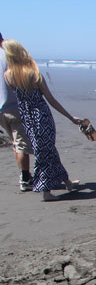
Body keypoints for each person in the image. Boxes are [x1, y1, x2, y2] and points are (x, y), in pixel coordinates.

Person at [3, 39, 87, 201]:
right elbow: (51, 99)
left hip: (27, 118)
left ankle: (67, 182)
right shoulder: (33, 74)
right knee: (44, 153)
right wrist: (70, 117)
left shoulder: (8, 76)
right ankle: (46, 192)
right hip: (41, 116)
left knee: (48, 150)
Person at [0, 32, 34, 191]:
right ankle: (25, 178)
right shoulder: (8, 56)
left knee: (16, 142)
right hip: (13, 105)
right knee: (21, 143)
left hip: (1, 109)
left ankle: (24, 175)